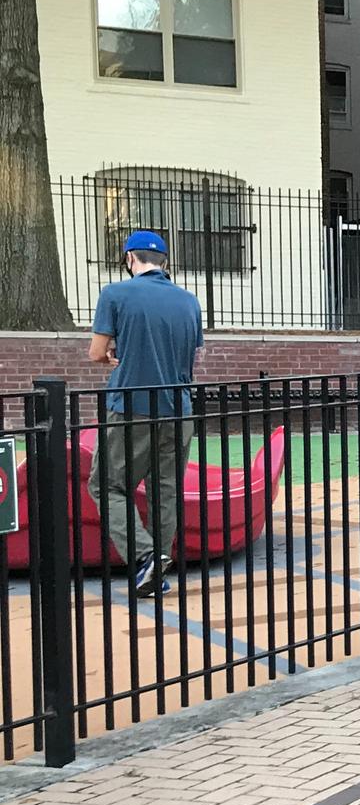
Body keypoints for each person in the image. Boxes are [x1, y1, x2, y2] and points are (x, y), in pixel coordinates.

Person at [88, 231, 204, 596]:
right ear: (165, 263)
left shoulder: (115, 294)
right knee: (165, 489)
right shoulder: (189, 301)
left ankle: (144, 556)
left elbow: (95, 353)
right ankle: (157, 569)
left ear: (129, 259)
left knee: (106, 484)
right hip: (179, 408)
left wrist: (111, 358)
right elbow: (193, 354)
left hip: (132, 406)